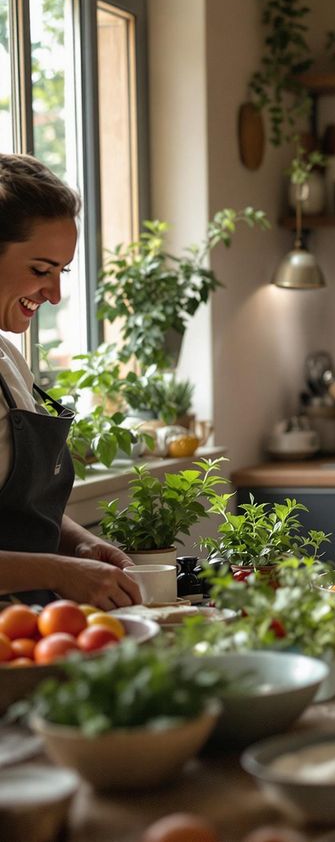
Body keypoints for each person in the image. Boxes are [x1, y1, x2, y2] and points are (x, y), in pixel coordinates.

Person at [0, 153, 140, 609]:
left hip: (32, 633)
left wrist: (77, 544)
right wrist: (62, 571)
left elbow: (19, 513)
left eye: (62, 271)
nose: (55, 294)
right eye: (41, 270)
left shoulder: (8, 358)